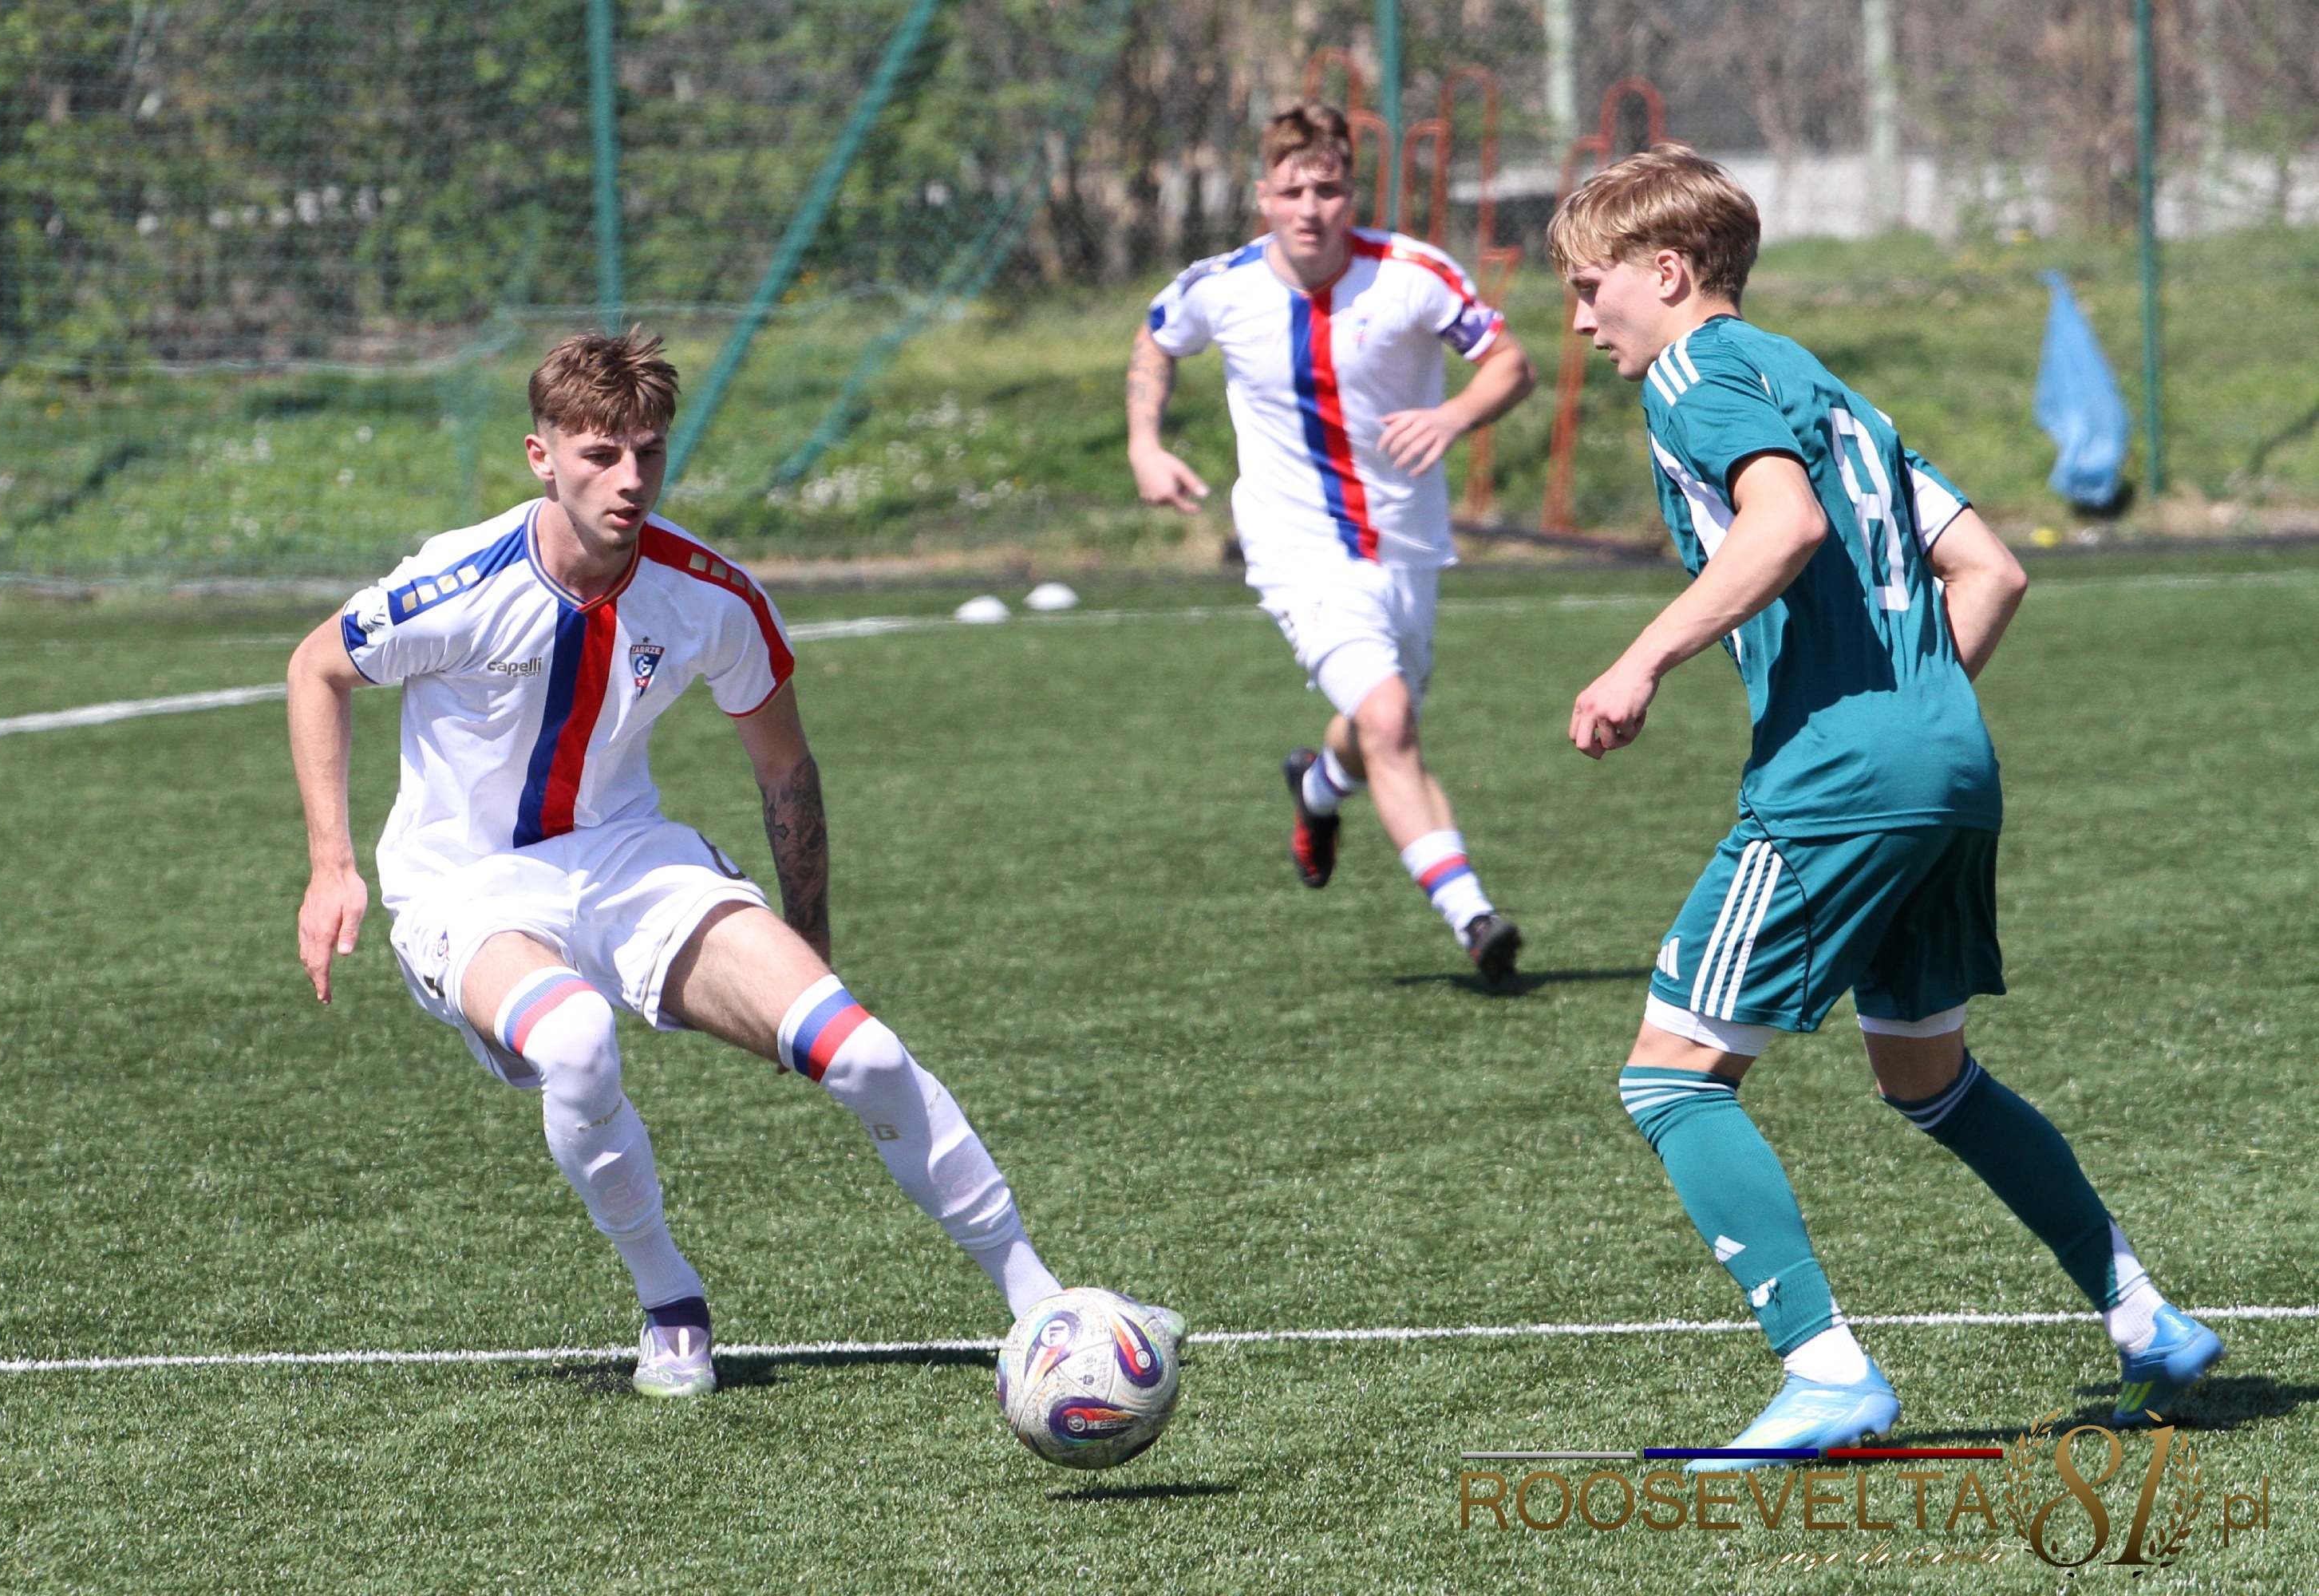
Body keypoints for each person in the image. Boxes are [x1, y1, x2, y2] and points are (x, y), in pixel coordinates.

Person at [286, 330, 1124, 1398]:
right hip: (464, 888)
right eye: (599, 454)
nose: (628, 479)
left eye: (648, 451)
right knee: (578, 1039)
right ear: (542, 457)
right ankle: (670, 1303)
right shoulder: (458, 580)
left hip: (633, 863)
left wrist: (808, 948)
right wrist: (332, 866)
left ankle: (1043, 1303)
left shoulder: (711, 594)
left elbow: (785, 768)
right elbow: (317, 664)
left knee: (861, 1054)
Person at [1548, 147, 2222, 1463]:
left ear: (1667, 273)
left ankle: (1826, 1372)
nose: (1580, 319)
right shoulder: (1821, 383)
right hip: (1948, 765)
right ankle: (2144, 1317)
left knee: (1671, 1077)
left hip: (1842, 782)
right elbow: (1994, 570)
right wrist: (1916, 711)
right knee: (1929, 1077)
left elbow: (1782, 526)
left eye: (1589, 287)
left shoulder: (1695, 374)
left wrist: (1643, 659)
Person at [1128, 102, 1539, 981]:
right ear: (1262, 198)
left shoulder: (1413, 273)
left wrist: (1455, 412)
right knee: (1390, 720)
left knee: (1381, 726)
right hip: (1295, 548)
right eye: (1292, 189)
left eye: (1330, 187)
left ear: (1354, 192)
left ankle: (1318, 787)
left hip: (1407, 546)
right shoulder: (1222, 286)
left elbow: (1510, 362)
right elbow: (1155, 341)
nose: (1311, 206)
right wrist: (1144, 444)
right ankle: (1474, 917)